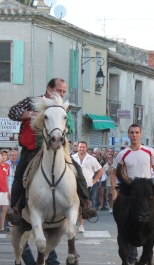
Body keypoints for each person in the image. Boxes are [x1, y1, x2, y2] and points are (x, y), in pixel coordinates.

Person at [6, 78, 96, 228]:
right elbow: (13, 112)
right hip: (32, 149)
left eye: (63, 91)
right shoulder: (32, 101)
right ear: (49, 88)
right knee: (20, 174)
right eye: (59, 90)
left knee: (77, 169)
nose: (61, 93)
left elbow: (70, 127)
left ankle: (86, 204)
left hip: (58, 149)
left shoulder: (63, 107)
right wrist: (33, 114)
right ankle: (15, 209)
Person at [111, 124, 154, 265]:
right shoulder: (123, 154)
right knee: (129, 223)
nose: (134, 135)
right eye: (132, 132)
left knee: (150, 223)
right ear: (128, 134)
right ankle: (131, 257)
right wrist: (114, 192)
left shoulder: (149, 151)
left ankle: (148, 252)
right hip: (131, 192)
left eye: (137, 132)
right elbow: (114, 174)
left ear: (141, 134)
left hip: (146, 192)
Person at [72, 141, 103, 233]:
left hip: (87, 185)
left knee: (84, 205)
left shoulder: (92, 159)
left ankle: (81, 225)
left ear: (86, 148)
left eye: (83, 147)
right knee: (74, 205)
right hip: (74, 185)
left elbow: (100, 170)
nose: (81, 149)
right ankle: (73, 223)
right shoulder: (72, 158)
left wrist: (94, 181)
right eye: (80, 147)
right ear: (77, 148)